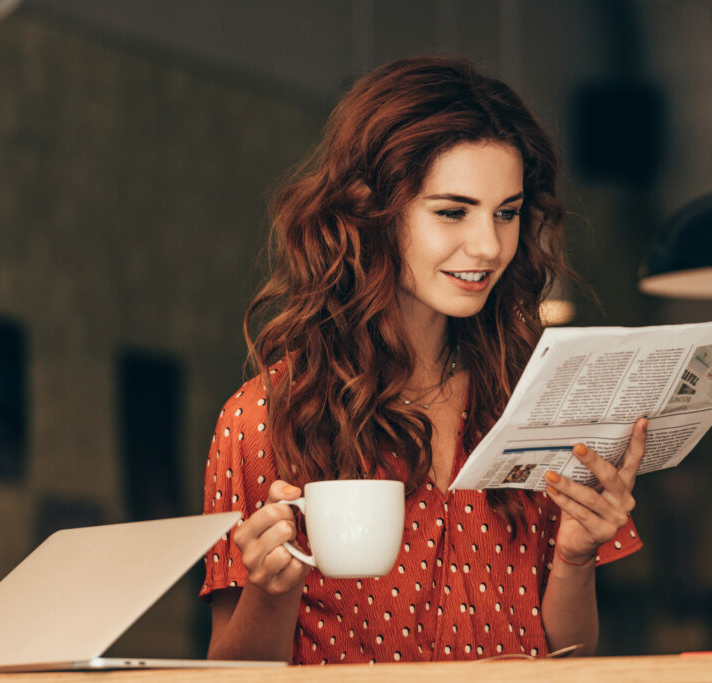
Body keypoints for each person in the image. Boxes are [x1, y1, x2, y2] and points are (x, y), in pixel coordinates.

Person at [201, 56, 646, 665]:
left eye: (507, 213)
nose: (489, 245)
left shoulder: (535, 402)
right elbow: (232, 675)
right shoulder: (263, 419)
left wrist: (574, 556)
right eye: (452, 211)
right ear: (369, 212)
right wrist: (271, 594)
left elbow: (568, 658)